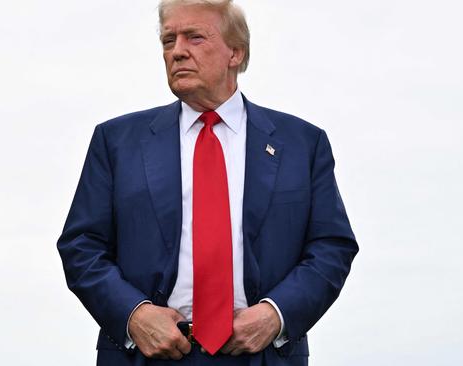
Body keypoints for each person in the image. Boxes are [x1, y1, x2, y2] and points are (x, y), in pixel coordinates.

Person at [57, 1, 358, 365]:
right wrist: (134, 315)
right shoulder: (116, 142)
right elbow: (81, 245)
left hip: (263, 355)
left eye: (194, 37)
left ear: (236, 52)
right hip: (145, 355)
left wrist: (276, 315)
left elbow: (332, 247)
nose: (177, 51)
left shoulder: (303, 145)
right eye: (169, 41)